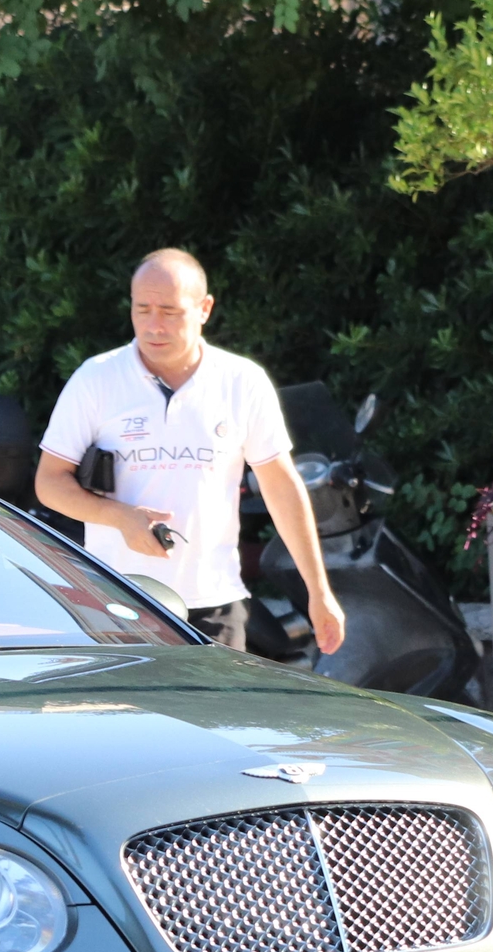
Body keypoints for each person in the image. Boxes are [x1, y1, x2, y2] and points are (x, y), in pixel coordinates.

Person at [32, 249, 346, 655]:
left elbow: (281, 486)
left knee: (211, 719)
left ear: (204, 309)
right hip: (117, 601)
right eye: (142, 309)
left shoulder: (241, 382)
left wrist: (318, 591)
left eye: (170, 311)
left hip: (214, 602)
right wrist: (118, 517)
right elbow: (49, 482)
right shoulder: (96, 379)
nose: (153, 326)